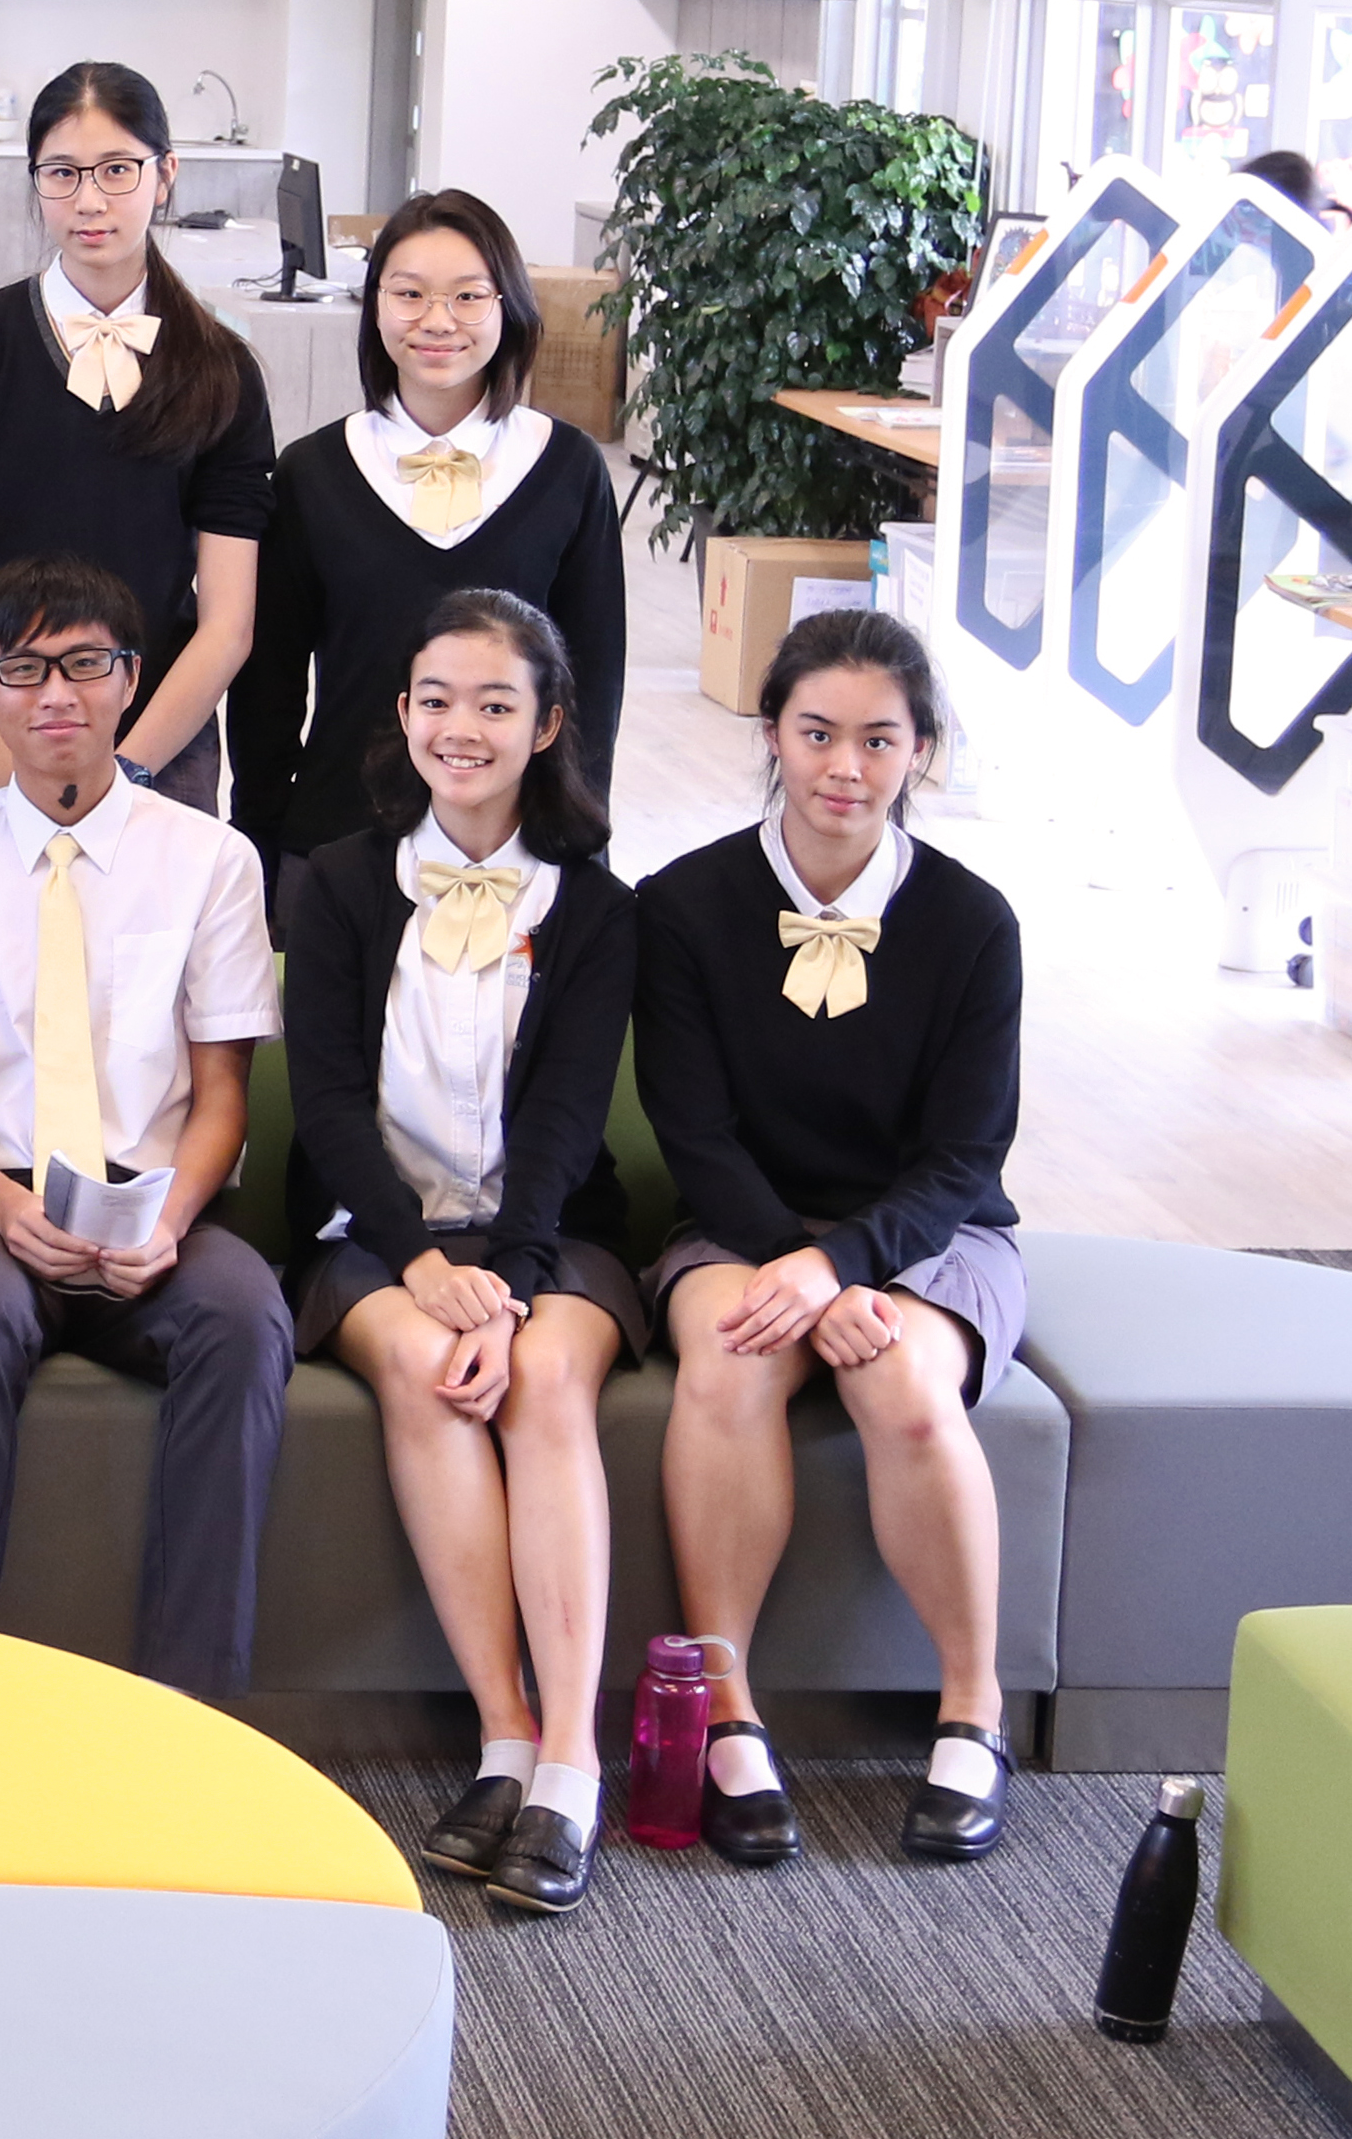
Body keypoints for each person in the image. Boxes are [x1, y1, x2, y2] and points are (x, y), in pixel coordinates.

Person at [637, 608, 1027, 1869]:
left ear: (919, 751)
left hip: (927, 1234)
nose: (841, 767)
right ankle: (728, 1711)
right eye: (814, 733)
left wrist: (841, 1267)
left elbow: (966, 1157)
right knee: (728, 1360)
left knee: (904, 1378)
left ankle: (971, 1709)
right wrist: (788, 1263)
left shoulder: (972, 923)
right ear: (769, 736)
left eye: (876, 738)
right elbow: (690, 1133)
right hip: (737, 1224)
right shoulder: (684, 906)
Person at [282, 588, 640, 1914]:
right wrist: (419, 1262)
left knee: (540, 1378)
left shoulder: (596, 907)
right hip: (372, 1233)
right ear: (401, 713)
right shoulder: (331, 881)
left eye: (495, 702)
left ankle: (568, 1769)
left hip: (547, 1235)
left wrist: (517, 1279)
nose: (460, 725)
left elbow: (563, 1120)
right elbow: (322, 1103)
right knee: (427, 1366)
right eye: (436, 697)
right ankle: (502, 1731)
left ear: (547, 723)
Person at [0, 555, 289, 1694]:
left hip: (152, 1193)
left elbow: (220, 1098)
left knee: (240, 1313)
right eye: (21, 668)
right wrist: (8, 1213)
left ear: (130, 679)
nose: (53, 693)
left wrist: (166, 1217)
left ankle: (191, 1709)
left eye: (84, 664)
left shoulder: (210, 859)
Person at [226, 191, 624, 939]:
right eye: (408, 294)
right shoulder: (313, 473)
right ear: (374, 307)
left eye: (467, 296)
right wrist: (263, 842)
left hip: (516, 850)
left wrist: (574, 838)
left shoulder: (565, 467)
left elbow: (593, 684)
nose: (436, 321)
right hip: (337, 842)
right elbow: (267, 692)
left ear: (507, 307)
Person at [0, 62, 274, 826]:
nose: (90, 200)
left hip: (156, 740)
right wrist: (10, 781)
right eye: (62, 174)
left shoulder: (220, 368)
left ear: (164, 174)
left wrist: (125, 778)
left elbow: (227, 622)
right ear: (34, 181)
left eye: (117, 170)